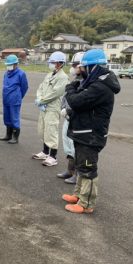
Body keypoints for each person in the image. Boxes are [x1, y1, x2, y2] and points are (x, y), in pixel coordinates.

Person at [62, 49, 120, 214]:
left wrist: (70, 88)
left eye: (83, 67)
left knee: (88, 168)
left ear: (92, 67)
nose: (80, 70)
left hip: (91, 135)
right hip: (83, 132)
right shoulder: (93, 82)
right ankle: (79, 195)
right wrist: (76, 86)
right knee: (82, 166)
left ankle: (86, 204)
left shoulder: (100, 87)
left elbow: (75, 101)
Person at [32, 51, 69, 166]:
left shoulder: (63, 77)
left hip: (53, 108)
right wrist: (39, 98)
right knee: (43, 129)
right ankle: (45, 151)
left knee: (51, 130)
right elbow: (41, 87)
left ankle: (53, 156)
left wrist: (42, 100)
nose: (51, 64)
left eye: (53, 62)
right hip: (44, 107)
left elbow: (56, 93)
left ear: (60, 63)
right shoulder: (49, 74)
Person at [57, 52, 84, 184]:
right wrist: (63, 108)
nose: (72, 67)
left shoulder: (85, 82)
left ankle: (77, 174)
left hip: (76, 119)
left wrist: (69, 111)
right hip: (68, 118)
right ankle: (70, 170)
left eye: (75, 65)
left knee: (76, 147)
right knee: (68, 145)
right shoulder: (76, 80)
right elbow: (66, 96)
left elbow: (79, 102)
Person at [0, 54, 28, 144]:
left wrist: (18, 96)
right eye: (8, 64)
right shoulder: (6, 73)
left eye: (11, 64)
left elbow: (25, 87)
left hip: (15, 100)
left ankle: (15, 137)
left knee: (14, 118)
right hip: (6, 99)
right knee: (7, 117)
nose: (9, 66)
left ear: (16, 64)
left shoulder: (21, 74)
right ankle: (8, 135)